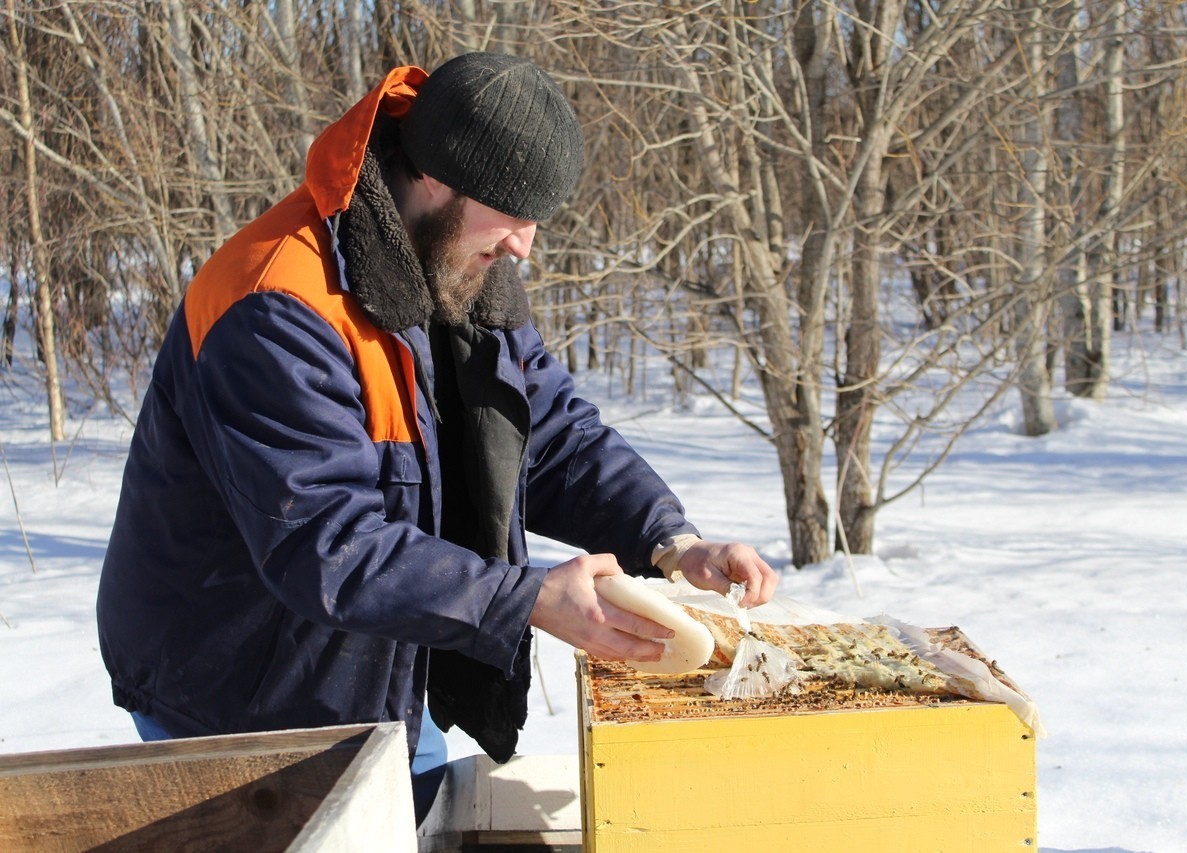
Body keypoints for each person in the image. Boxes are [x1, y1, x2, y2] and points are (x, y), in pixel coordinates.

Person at [95, 52, 778, 821]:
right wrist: (526, 598)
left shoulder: (460, 265)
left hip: (381, 674)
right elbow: (326, 543)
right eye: (511, 214)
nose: (524, 246)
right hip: (239, 698)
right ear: (435, 177)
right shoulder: (275, 305)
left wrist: (673, 541)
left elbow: (549, 432)